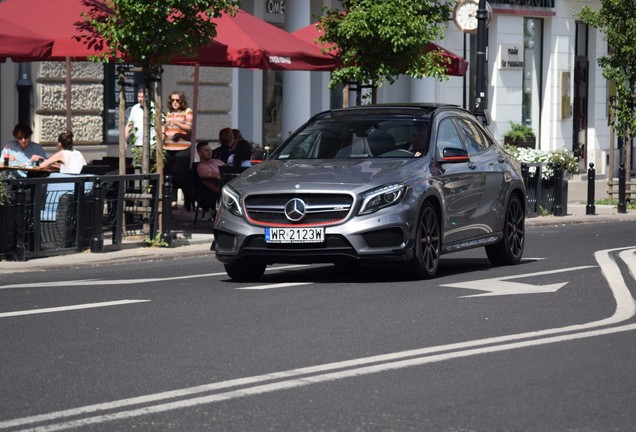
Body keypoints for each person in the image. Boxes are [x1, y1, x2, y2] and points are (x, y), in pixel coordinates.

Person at [196, 141, 226, 221]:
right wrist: (222, 175)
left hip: (226, 186)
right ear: (200, 153)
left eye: (210, 150)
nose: (210, 152)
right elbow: (212, 175)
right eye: (206, 150)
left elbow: (228, 169)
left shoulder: (217, 161)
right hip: (215, 191)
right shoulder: (201, 167)